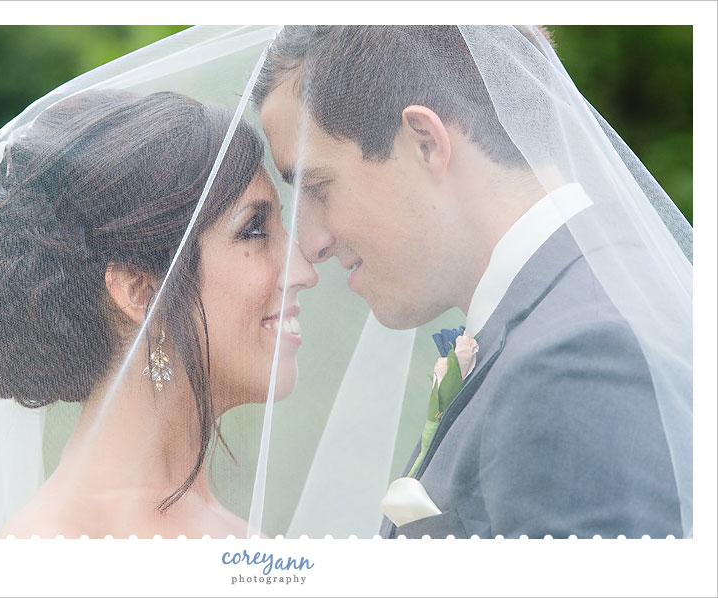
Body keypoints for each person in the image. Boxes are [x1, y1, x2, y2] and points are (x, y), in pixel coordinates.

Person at [0, 32, 318, 538]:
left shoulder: (250, 546)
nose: (305, 271)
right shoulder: (46, 553)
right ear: (139, 290)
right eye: (254, 230)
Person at [253, 26, 692, 538]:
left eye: (319, 186)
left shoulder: (576, 357)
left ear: (425, 143)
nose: (311, 244)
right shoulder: (579, 311)